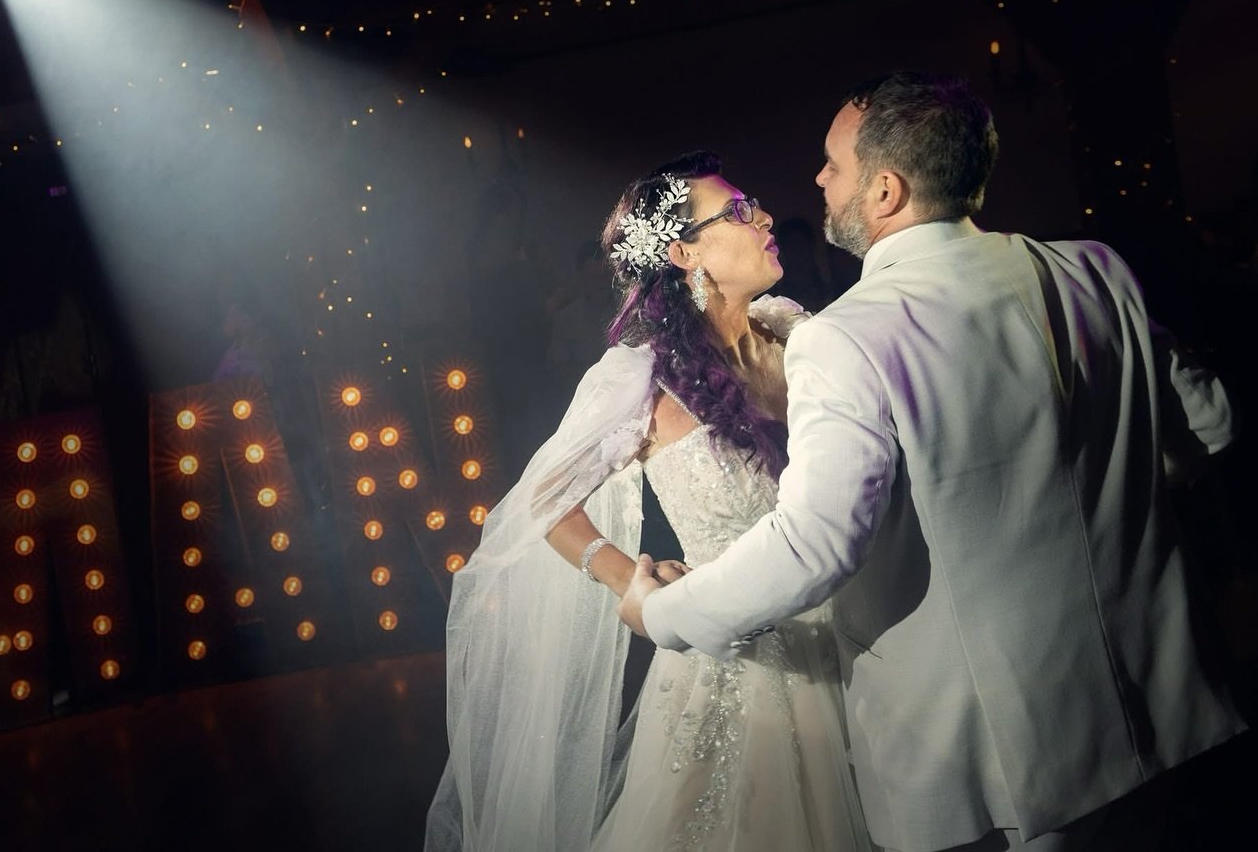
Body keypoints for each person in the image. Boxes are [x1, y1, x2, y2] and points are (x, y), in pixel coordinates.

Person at [619, 71, 1246, 852]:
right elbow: (1212, 425)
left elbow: (817, 545)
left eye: (833, 166)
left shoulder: (845, 335)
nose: (815, 180)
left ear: (884, 191)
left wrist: (663, 615)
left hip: (995, 759)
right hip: (1160, 710)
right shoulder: (1094, 271)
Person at [425, 151, 874, 852]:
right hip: (740, 670)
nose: (760, 217)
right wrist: (627, 579)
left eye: (752, 205)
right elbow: (542, 500)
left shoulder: (792, 329)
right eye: (735, 212)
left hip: (854, 648)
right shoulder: (641, 376)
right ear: (681, 251)